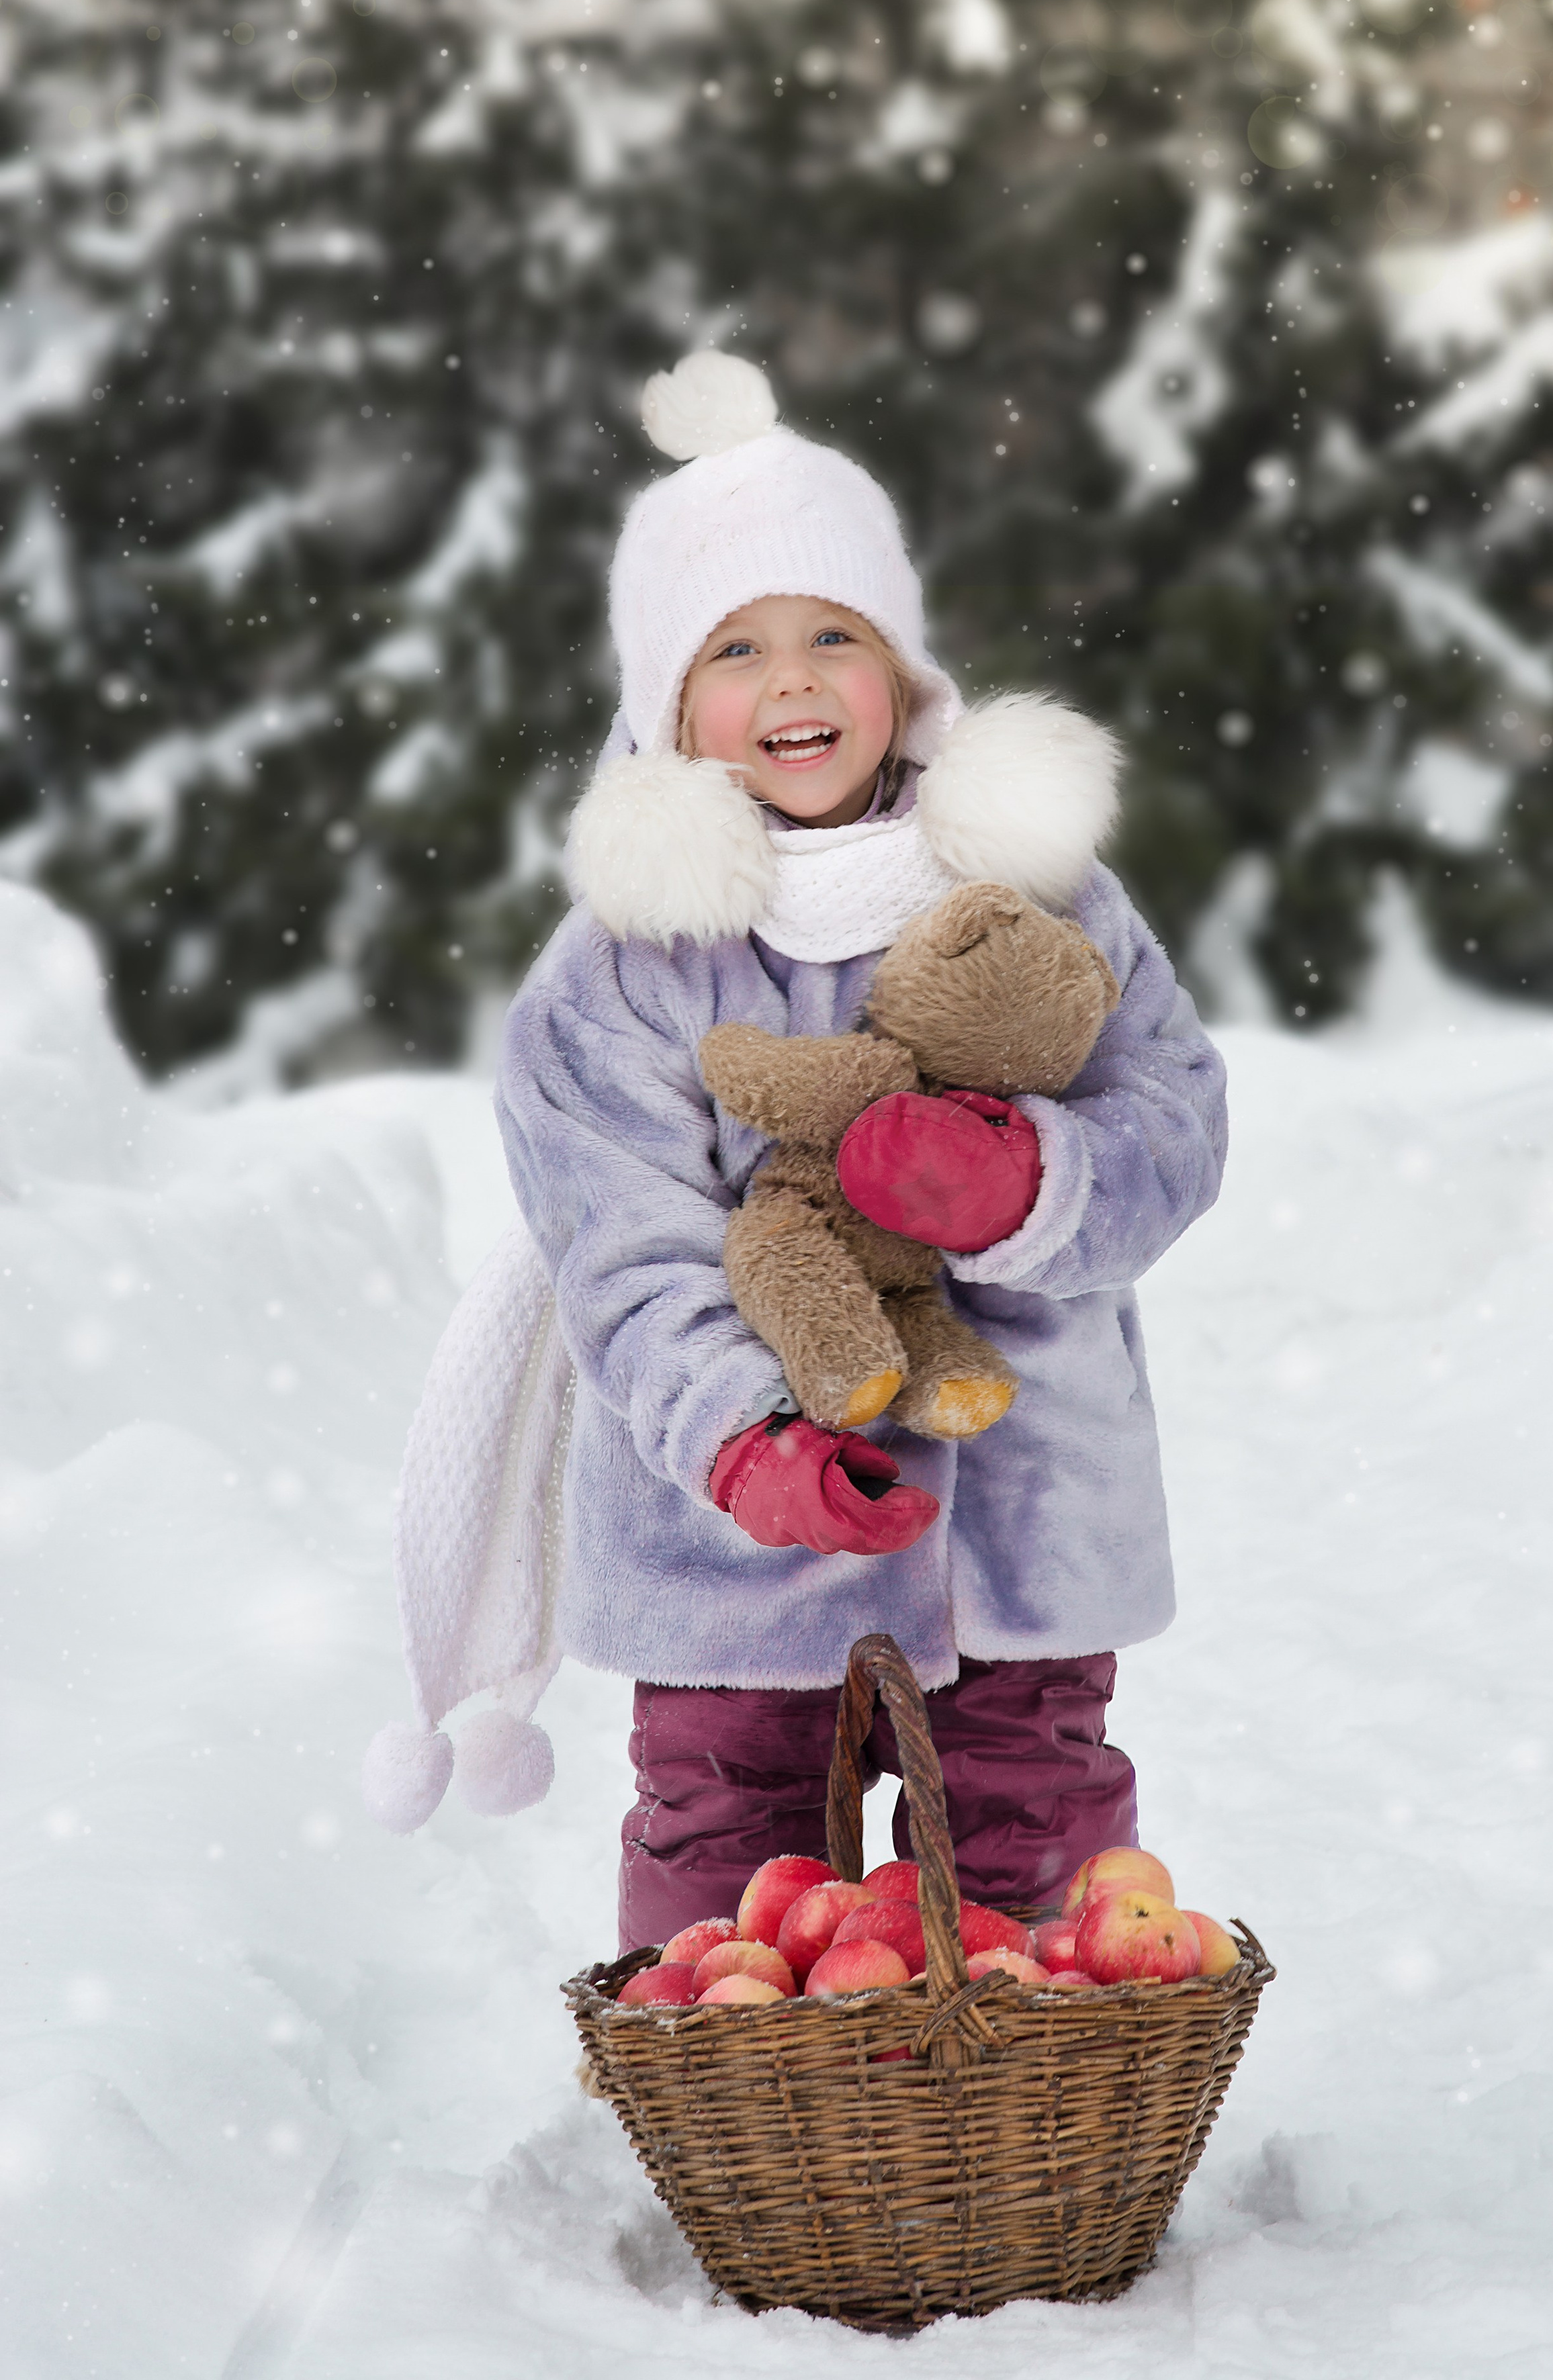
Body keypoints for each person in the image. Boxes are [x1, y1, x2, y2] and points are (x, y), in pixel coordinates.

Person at [490, 351, 1227, 1950]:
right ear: (670, 704)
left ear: (901, 667)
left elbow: (1171, 1111)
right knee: (736, 1853)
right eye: (736, 649)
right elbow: (621, 1243)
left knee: (1029, 1824)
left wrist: (1030, 1184)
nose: (795, 680)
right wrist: (745, 1441)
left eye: (835, 635)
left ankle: (1031, 2142)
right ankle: (752, 2159)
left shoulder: (1039, 892)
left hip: (1029, 1511)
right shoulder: (625, 967)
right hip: (730, 1543)